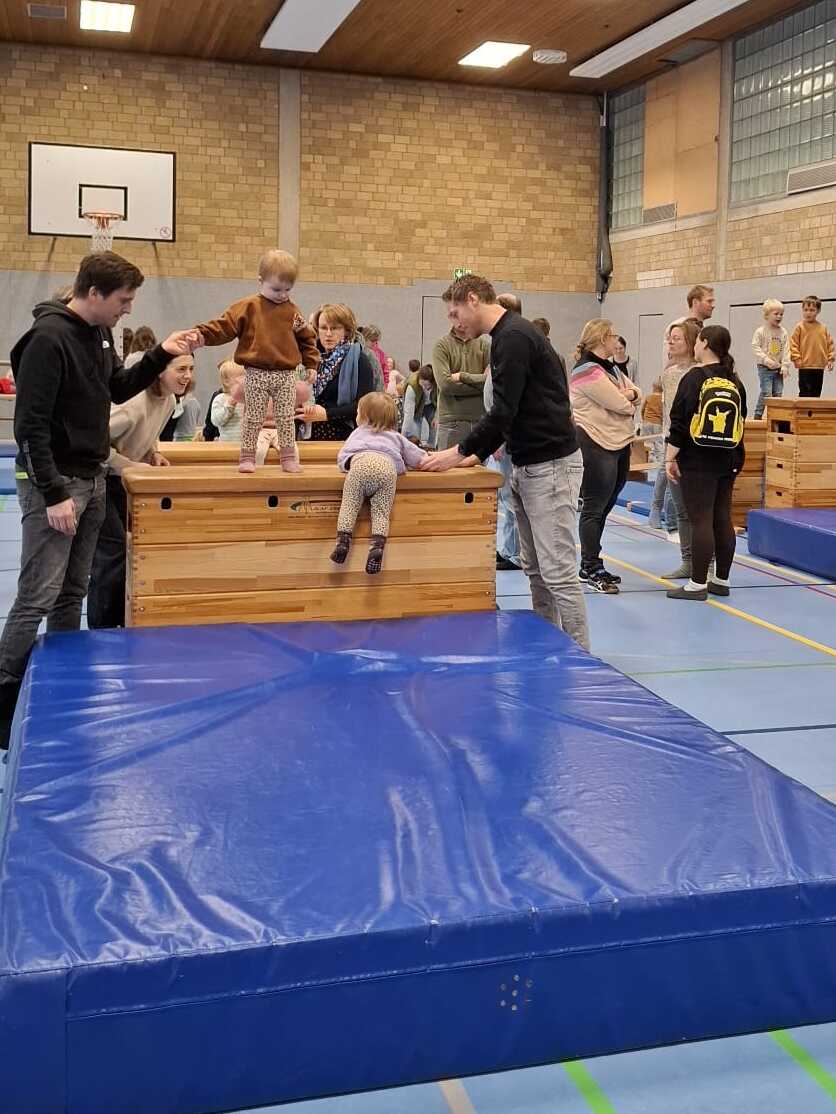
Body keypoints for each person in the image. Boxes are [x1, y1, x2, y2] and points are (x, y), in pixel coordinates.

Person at [0, 251, 197, 745]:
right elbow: (30, 427)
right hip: (57, 483)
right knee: (37, 594)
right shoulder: (47, 340)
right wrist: (53, 492)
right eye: (123, 300)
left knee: (72, 592)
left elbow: (118, 387)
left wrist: (161, 353)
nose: (128, 308)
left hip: (91, 479)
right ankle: (4, 694)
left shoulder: (99, 334)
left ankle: (59, 684)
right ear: (93, 293)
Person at [421, 274, 589, 651]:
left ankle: (580, 655)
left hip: (550, 466)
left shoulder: (513, 337)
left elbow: (503, 411)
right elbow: (515, 410)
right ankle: (549, 644)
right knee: (536, 569)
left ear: (473, 299)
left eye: (454, 313)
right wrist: (476, 454)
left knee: (558, 572)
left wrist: (458, 452)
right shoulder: (503, 338)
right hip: (527, 463)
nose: (454, 323)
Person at [87, 352, 194, 629]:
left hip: (124, 479)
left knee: (129, 550)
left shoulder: (169, 400)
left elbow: (151, 434)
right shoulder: (132, 406)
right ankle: (102, 629)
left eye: (191, 369)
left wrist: (152, 453)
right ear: (160, 372)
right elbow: (93, 443)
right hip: (99, 478)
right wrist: (129, 465)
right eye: (181, 369)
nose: (187, 376)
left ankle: (120, 620)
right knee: (112, 552)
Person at [193, 249, 320, 473]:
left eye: (288, 290)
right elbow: (224, 326)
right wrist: (201, 335)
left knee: (285, 418)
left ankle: (288, 457)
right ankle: (247, 457)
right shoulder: (248, 307)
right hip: (257, 372)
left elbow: (307, 338)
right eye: (276, 289)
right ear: (260, 281)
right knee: (253, 417)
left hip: (286, 374)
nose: (282, 295)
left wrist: (311, 364)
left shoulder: (293, 312)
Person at [665, 325, 747, 601]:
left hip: (698, 459)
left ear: (705, 343)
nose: (695, 346)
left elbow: (679, 422)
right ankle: (721, 579)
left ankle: (697, 584)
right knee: (722, 517)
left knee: (700, 519)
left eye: (698, 341)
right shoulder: (735, 380)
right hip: (728, 458)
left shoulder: (694, 377)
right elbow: (741, 419)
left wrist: (670, 457)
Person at [570, 320, 641, 594]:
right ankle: (589, 566)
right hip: (596, 442)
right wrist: (628, 398)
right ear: (602, 339)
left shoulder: (611, 368)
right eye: (613, 336)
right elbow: (622, 404)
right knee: (594, 507)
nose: (616, 340)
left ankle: (592, 561)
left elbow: (638, 394)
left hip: (619, 442)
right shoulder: (586, 370)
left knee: (607, 505)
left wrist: (629, 395)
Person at [331, 393, 427, 574]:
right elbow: (418, 457)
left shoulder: (358, 432)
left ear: (365, 417)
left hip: (361, 465)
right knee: (381, 512)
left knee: (349, 505)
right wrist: (429, 460)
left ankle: (343, 541)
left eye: (358, 412)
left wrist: (347, 465)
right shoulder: (396, 436)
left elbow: (343, 456)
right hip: (387, 469)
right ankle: (377, 546)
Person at [656, 321, 701, 577]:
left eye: (677, 338)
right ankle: (688, 561)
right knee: (681, 508)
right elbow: (667, 412)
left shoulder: (699, 372)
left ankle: (707, 563)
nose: (671, 342)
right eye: (670, 338)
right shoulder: (668, 373)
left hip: (692, 444)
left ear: (691, 343)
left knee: (698, 509)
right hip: (670, 441)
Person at [296, 304, 376, 440]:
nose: (328, 334)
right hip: (306, 436)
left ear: (346, 331)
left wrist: (327, 414)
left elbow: (365, 404)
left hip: (344, 437)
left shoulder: (359, 360)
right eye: (323, 328)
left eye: (334, 328)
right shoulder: (308, 359)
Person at [431, 309, 490, 450]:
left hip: (480, 420)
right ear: (450, 318)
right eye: (456, 316)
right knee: (447, 465)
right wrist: (480, 383)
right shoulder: (441, 345)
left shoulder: (485, 345)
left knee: (478, 465)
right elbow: (445, 385)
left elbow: (491, 383)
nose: (461, 320)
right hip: (451, 421)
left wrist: (462, 376)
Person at [752, 299, 791, 419]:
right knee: (766, 392)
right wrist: (766, 360)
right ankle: (758, 415)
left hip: (778, 368)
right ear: (767, 315)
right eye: (776, 314)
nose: (779, 316)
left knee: (778, 393)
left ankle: (775, 417)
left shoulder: (783, 332)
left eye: (781, 314)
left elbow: (786, 350)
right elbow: (755, 347)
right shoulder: (760, 331)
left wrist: (785, 366)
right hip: (765, 368)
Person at [789, 295, 834, 399]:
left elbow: (830, 344)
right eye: (806, 310)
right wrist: (796, 358)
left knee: (816, 393)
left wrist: (830, 359)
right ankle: (802, 409)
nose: (808, 313)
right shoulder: (800, 327)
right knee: (805, 392)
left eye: (812, 310)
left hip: (819, 366)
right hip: (805, 366)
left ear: (818, 311)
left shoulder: (823, 328)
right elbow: (793, 343)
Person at [401, 363, 438, 446]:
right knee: (415, 434)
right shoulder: (412, 386)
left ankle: (431, 448)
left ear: (433, 383)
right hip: (416, 407)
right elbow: (408, 415)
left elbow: (441, 401)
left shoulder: (438, 383)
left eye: (427, 385)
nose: (424, 388)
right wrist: (402, 438)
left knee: (434, 427)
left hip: (431, 405)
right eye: (422, 385)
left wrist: (436, 417)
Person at [211, 361, 245, 442]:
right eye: (240, 378)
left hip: (246, 444)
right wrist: (229, 406)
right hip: (226, 444)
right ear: (226, 382)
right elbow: (216, 421)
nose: (244, 381)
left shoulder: (247, 399)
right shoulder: (220, 399)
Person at [362, 325, 390, 390]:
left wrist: (384, 387)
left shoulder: (380, 354)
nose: (374, 343)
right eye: (372, 340)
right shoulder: (358, 351)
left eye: (376, 341)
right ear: (365, 337)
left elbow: (385, 372)